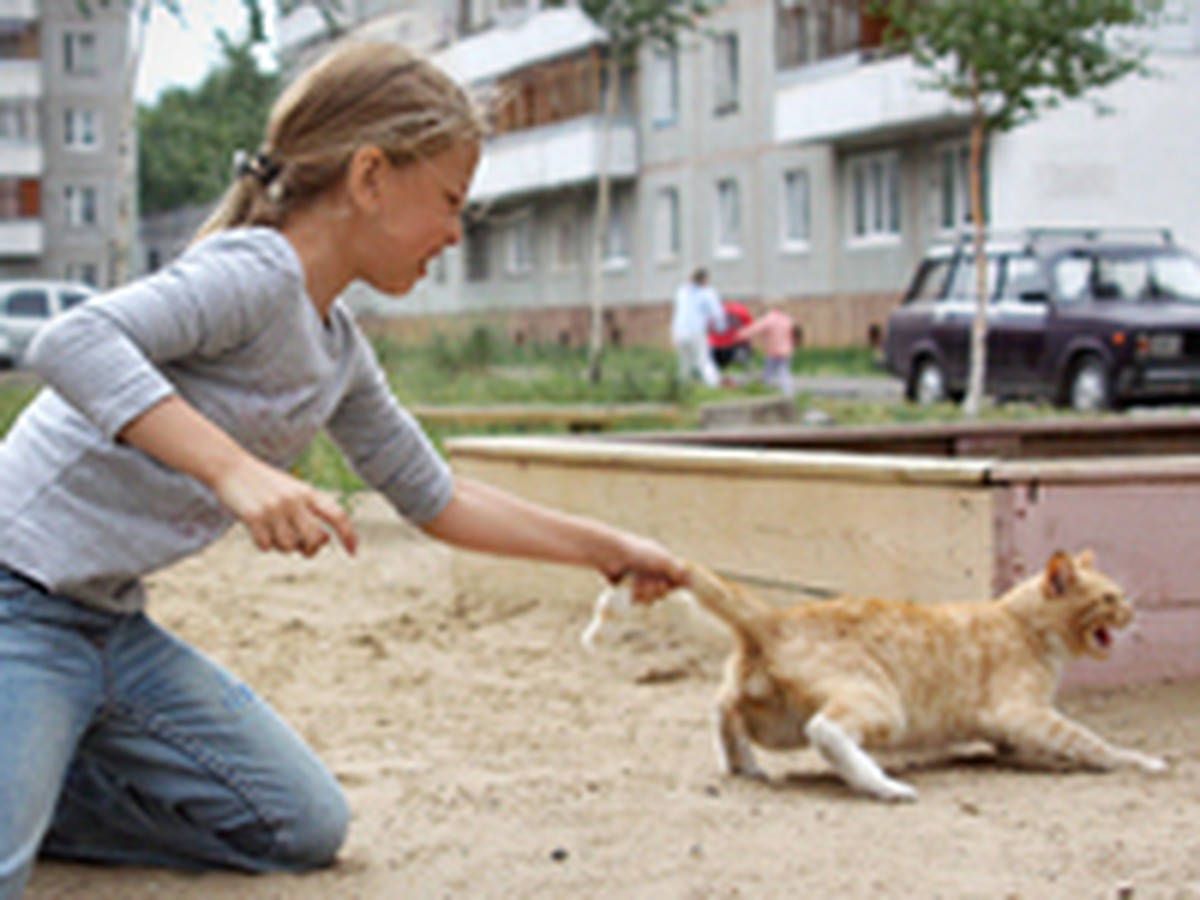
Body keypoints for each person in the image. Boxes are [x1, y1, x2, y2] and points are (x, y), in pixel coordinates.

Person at [0, 41, 685, 898]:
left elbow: (436, 496)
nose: (452, 231)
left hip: (110, 628)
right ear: (370, 178)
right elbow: (70, 340)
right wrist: (234, 472)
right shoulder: (254, 272)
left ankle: (48, 779)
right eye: (447, 200)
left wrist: (606, 547)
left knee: (300, 824)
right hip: (15, 603)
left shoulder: (335, 351)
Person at [670, 267, 726, 387]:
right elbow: (717, 313)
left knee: (685, 362)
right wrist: (721, 328)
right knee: (703, 360)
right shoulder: (707, 293)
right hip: (695, 330)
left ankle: (684, 388)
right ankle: (714, 385)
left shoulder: (682, 291)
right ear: (705, 279)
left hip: (678, 330)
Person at [735, 302, 798, 398]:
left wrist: (741, 334)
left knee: (768, 373)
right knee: (783, 372)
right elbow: (793, 334)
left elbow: (755, 328)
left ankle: (764, 391)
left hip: (774, 351)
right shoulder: (788, 320)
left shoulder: (769, 319)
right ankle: (788, 393)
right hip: (786, 350)